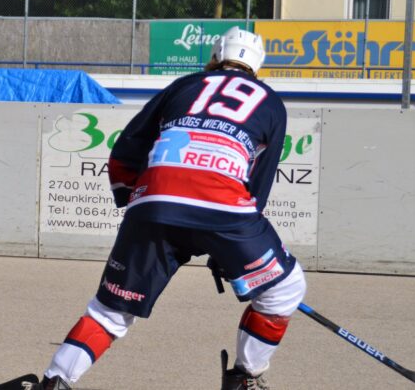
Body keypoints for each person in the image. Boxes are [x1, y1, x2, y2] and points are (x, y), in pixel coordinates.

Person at [37, 27, 307, 390]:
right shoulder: (271, 102)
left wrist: (137, 201)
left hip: (153, 203)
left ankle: (55, 381)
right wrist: (231, 254)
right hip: (224, 208)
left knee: (110, 311)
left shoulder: (184, 85)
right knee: (284, 289)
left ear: (214, 57)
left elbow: (126, 150)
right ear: (257, 68)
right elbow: (258, 187)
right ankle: (245, 379)